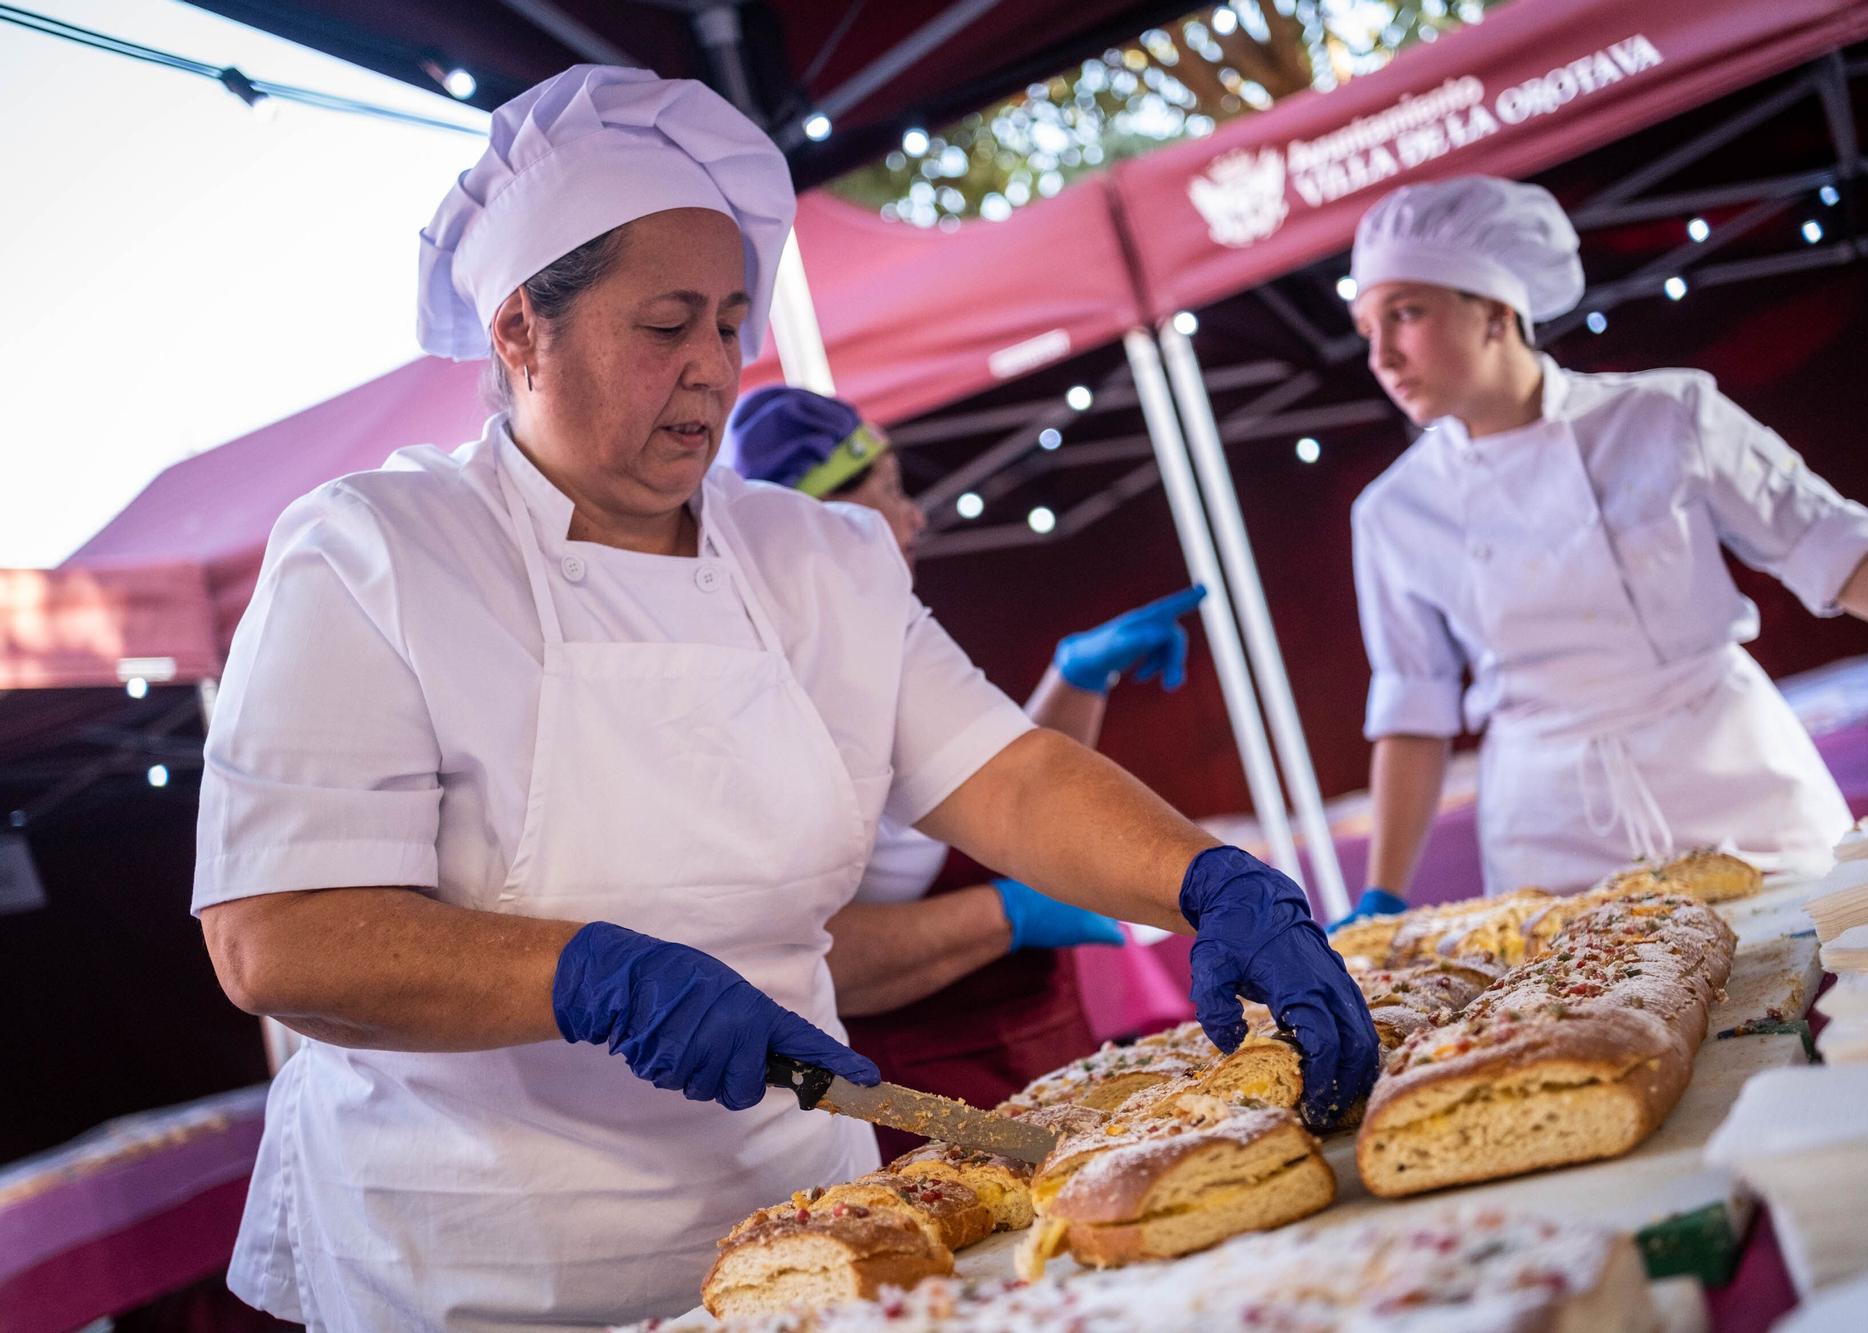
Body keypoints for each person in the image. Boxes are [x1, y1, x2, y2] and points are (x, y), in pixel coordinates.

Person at [192, 66, 1376, 1331]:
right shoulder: (375, 552)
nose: (711, 367)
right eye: (666, 326)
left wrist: (1206, 881)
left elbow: (1011, 775)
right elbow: (275, 936)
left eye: (728, 322)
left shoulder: (817, 555)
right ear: (519, 328)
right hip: (486, 1263)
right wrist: (586, 974)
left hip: (815, 1231)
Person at [1339, 174, 1868, 918]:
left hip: (1735, 783)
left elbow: (1834, 548)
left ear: (1495, 309)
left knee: (1845, 978)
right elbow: (1413, 709)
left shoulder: (1667, 414)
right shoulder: (1393, 512)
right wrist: (1383, 891)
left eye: (1405, 314)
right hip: (1551, 833)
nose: (1383, 356)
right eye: (1368, 328)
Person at [725, 385, 1206, 1133]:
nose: (915, 515)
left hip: (1041, 1049)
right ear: (814, 522)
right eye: (888, 492)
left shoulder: (888, 635)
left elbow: (1003, 791)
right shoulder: (764, 697)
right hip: (921, 1088)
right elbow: (809, 956)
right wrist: (1008, 913)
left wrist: (1075, 679)